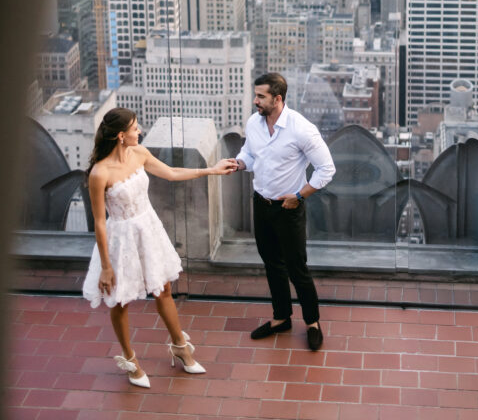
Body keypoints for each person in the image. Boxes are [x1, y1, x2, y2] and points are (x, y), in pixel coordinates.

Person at [82, 107, 235, 387]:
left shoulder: (139, 153)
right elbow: (100, 223)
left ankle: (180, 346)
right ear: (120, 135)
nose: (139, 131)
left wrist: (211, 170)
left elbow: (172, 173)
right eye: (135, 128)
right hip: (121, 238)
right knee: (120, 300)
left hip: (148, 229)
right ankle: (131, 361)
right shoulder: (99, 173)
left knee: (163, 288)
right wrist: (106, 267)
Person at [227, 72, 336, 351]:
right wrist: (238, 163)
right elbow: (251, 155)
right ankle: (281, 318)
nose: (255, 101)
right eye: (255, 95)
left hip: (289, 208)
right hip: (261, 204)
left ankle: (312, 323)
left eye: (261, 96)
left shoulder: (301, 128)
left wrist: (300, 195)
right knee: (272, 264)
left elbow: (327, 169)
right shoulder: (254, 123)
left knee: (297, 268)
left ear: (278, 98)